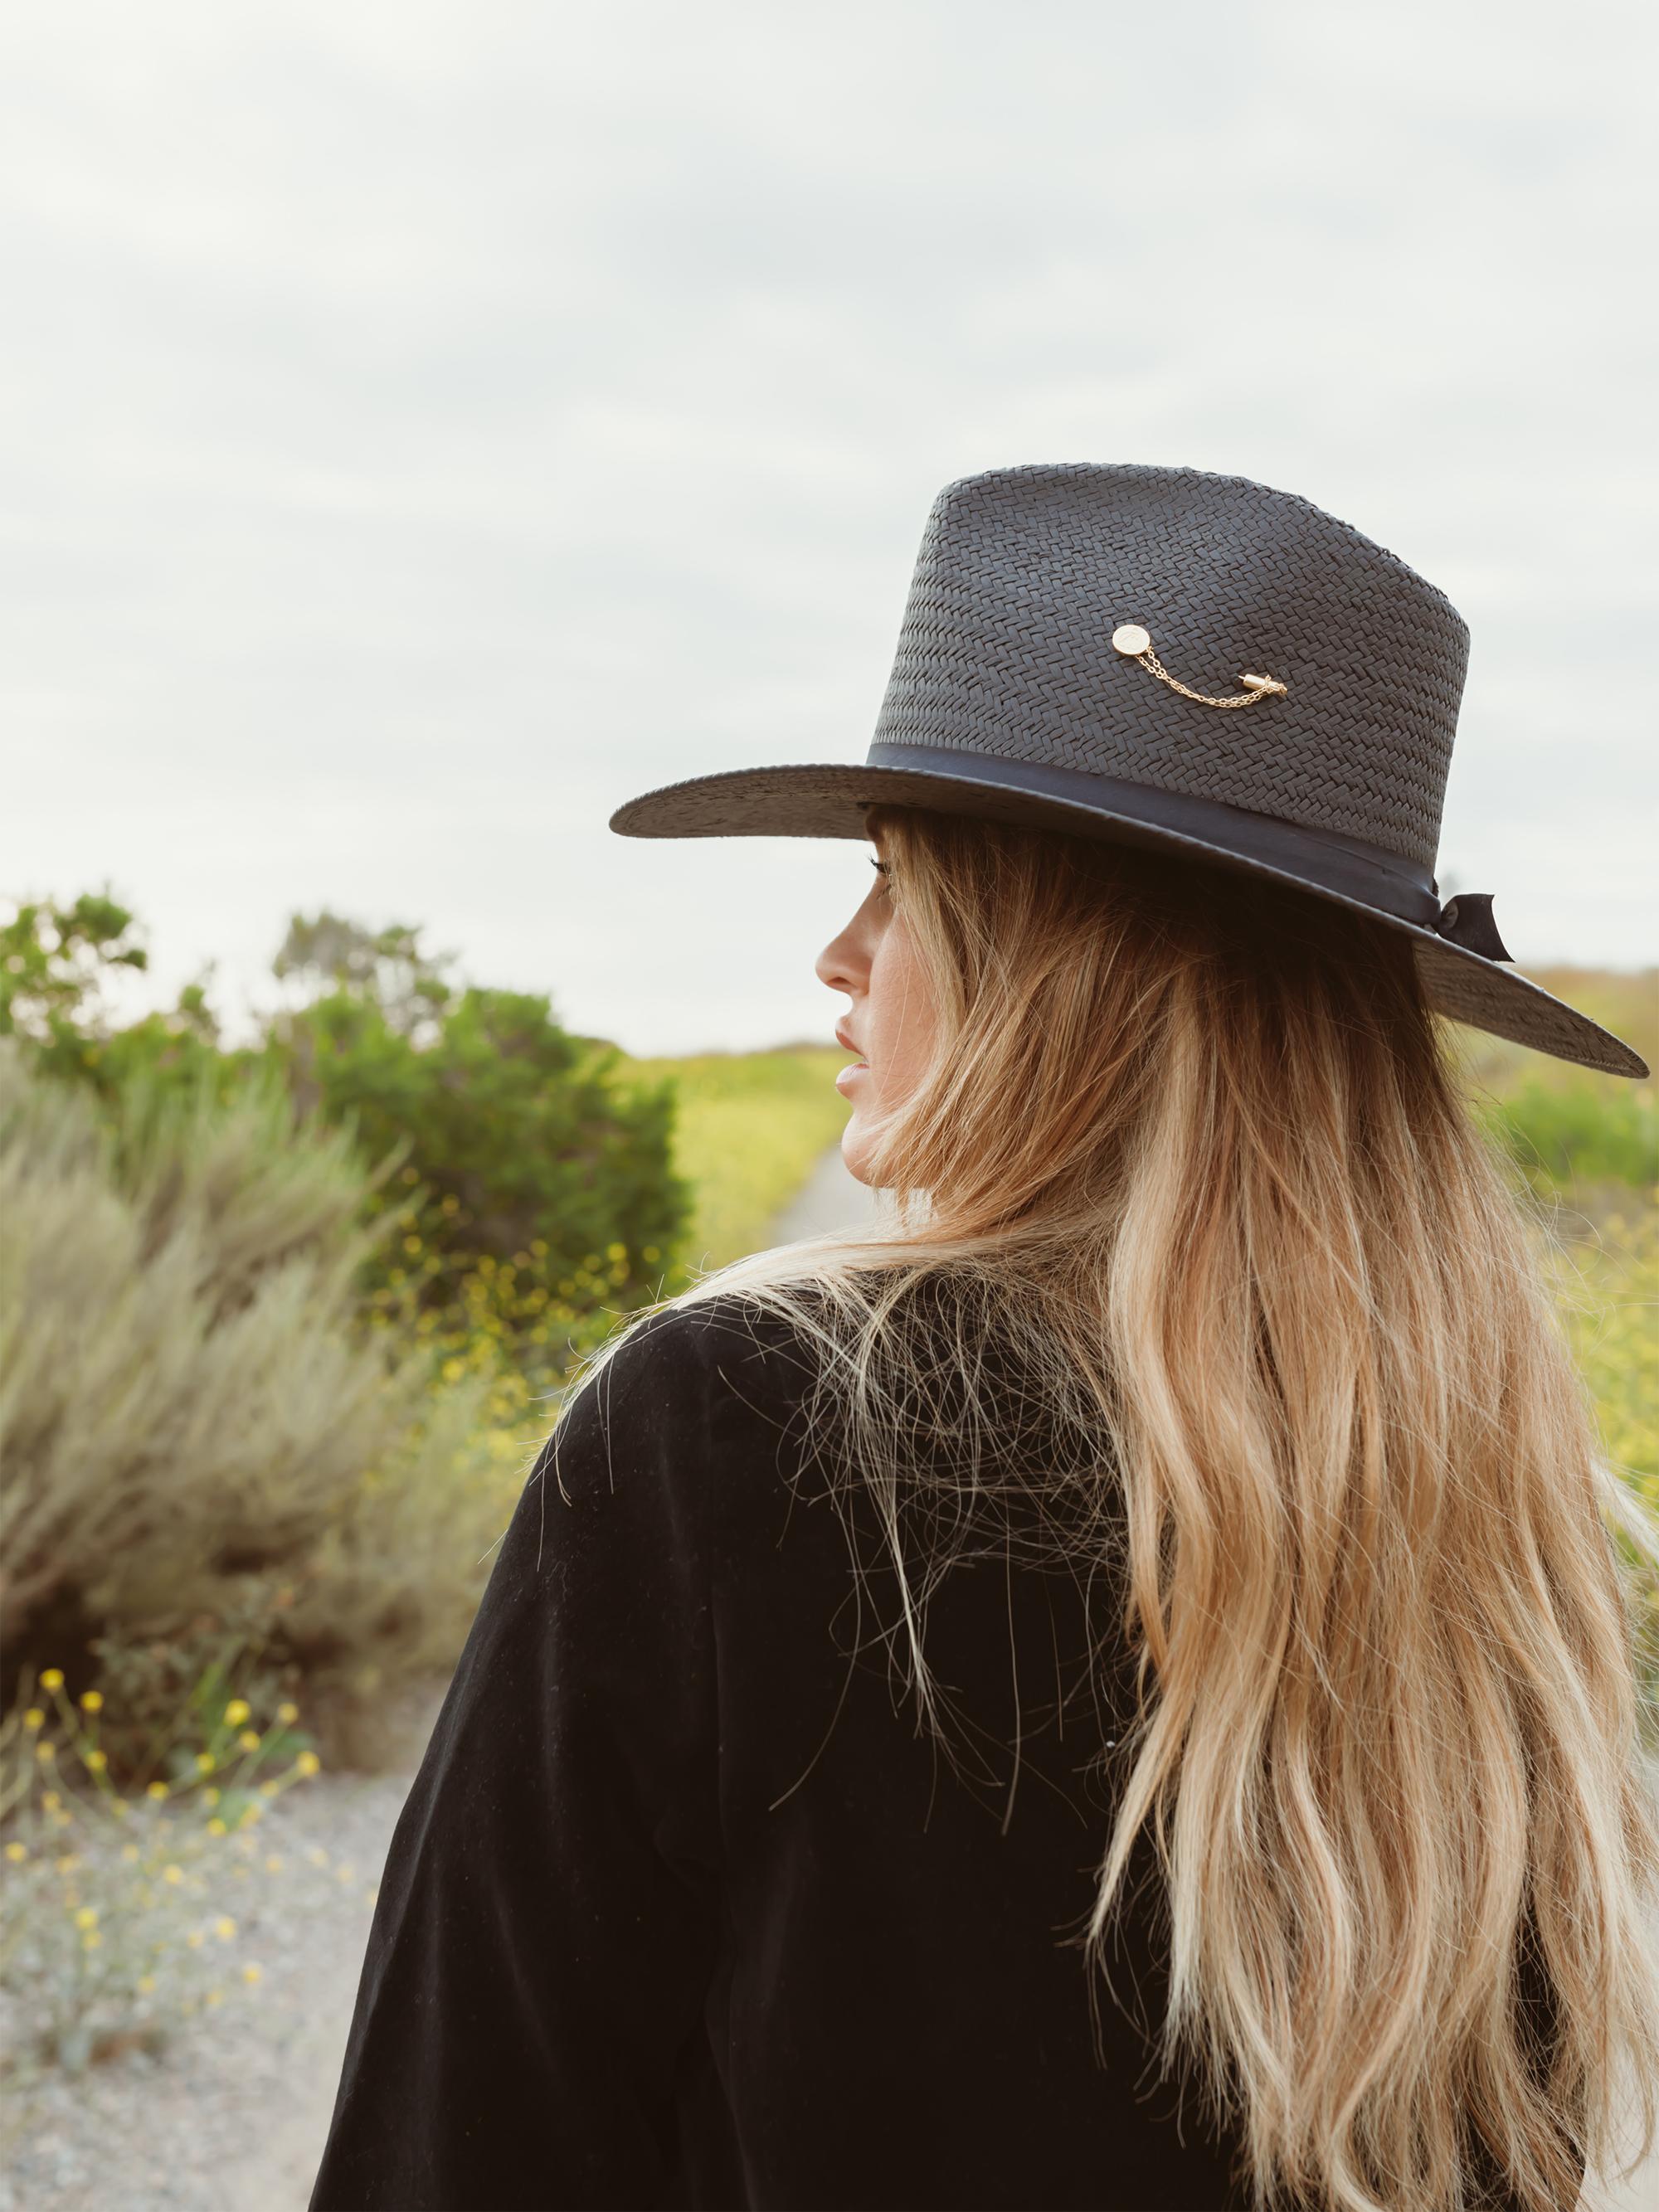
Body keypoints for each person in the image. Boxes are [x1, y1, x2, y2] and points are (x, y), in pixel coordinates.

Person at [308, 465, 1658, 2212]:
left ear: (1054, 953)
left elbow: (456, 2147)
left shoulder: (734, 1422)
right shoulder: (1501, 1516)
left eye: (899, 881)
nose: (838, 954)